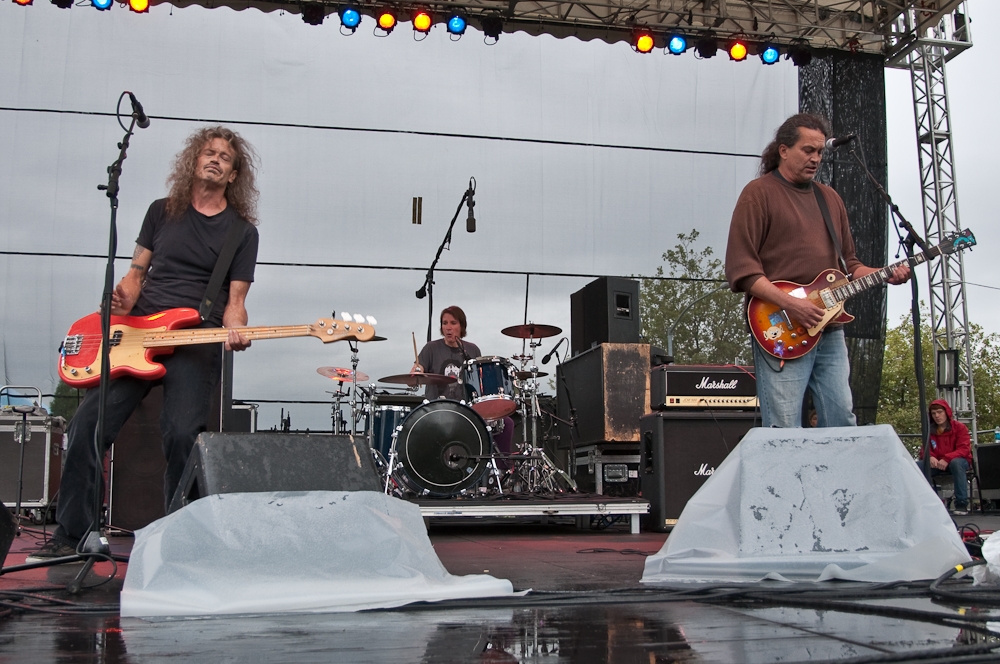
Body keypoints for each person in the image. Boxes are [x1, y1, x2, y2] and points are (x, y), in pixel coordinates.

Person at [29, 126, 261, 561]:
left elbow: (236, 302)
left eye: (225, 158)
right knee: (85, 427)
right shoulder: (162, 212)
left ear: (233, 175)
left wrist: (237, 328)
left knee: (179, 434)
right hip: (137, 334)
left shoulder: (241, 233)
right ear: (194, 161)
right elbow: (136, 276)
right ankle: (73, 534)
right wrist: (122, 297)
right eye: (208, 152)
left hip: (195, 337)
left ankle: (178, 538)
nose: (215, 159)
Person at [725, 113, 910, 428]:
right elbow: (741, 267)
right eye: (808, 150)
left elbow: (850, 265)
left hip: (830, 328)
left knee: (842, 419)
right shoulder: (758, 193)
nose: (816, 158)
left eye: (821, 152)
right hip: (781, 325)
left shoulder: (830, 199)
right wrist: (793, 304)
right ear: (784, 150)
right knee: (783, 426)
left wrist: (883, 273)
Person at [412, 306, 482, 402]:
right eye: (445, 323)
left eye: (453, 323)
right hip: (436, 409)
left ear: (461, 326)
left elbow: (480, 383)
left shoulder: (473, 350)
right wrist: (416, 372)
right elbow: (416, 370)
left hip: (465, 409)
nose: (448, 328)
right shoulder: (431, 348)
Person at [923, 399, 973, 515]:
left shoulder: (960, 427)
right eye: (934, 413)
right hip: (939, 462)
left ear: (947, 412)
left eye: (939, 412)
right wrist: (930, 457)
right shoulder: (929, 430)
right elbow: (925, 449)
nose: (937, 416)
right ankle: (930, 502)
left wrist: (947, 458)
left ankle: (961, 503)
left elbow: (964, 449)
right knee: (918, 466)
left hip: (959, 461)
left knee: (956, 463)